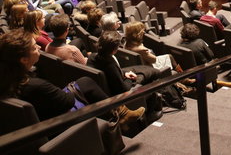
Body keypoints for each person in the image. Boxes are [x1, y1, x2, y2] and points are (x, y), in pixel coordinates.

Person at [0, 30, 144, 130]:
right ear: (24, 59)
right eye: (34, 47)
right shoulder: (35, 85)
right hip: (58, 124)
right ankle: (120, 115)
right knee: (82, 87)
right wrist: (69, 88)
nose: (38, 47)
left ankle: (121, 113)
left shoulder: (8, 79)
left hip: (42, 115)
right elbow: (68, 101)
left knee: (85, 81)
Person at [87, 31, 167, 97]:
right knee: (153, 73)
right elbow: (124, 89)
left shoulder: (92, 57)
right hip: (120, 94)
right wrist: (129, 78)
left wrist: (125, 74)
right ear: (114, 49)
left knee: (144, 68)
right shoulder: (110, 65)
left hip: (112, 83)